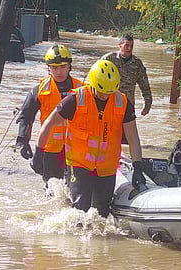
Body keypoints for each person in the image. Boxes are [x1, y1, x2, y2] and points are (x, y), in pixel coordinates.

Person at [36, 59, 149, 218]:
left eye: (109, 92)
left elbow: (133, 138)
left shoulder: (122, 102)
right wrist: (39, 151)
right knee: (81, 209)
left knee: (102, 214)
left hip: (107, 168)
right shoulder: (75, 100)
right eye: (101, 91)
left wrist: (138, 166)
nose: (105, 96)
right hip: (79, 164)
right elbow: (48, 124)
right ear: (93, 84)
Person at [16, 45, 85, 188]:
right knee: (53, 191)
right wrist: (23, 141)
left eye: (62, 67)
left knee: (76, 191)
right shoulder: (39, 91)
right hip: (50, 151)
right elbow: (26, 117)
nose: (58, 71)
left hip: (76, 151)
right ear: (48, 68)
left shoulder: (82, 90)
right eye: (54, 67)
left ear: (69, 66)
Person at [101, 34, 152, 116]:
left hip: (128, 104)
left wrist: (147, 105)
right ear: (120, 45)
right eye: (126, 45)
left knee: (129, 128)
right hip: (109, 103)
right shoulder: (108, 59)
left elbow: (145, 86)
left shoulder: (137, 64)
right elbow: (95, 79)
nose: (129, 48)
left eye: (131, 46)